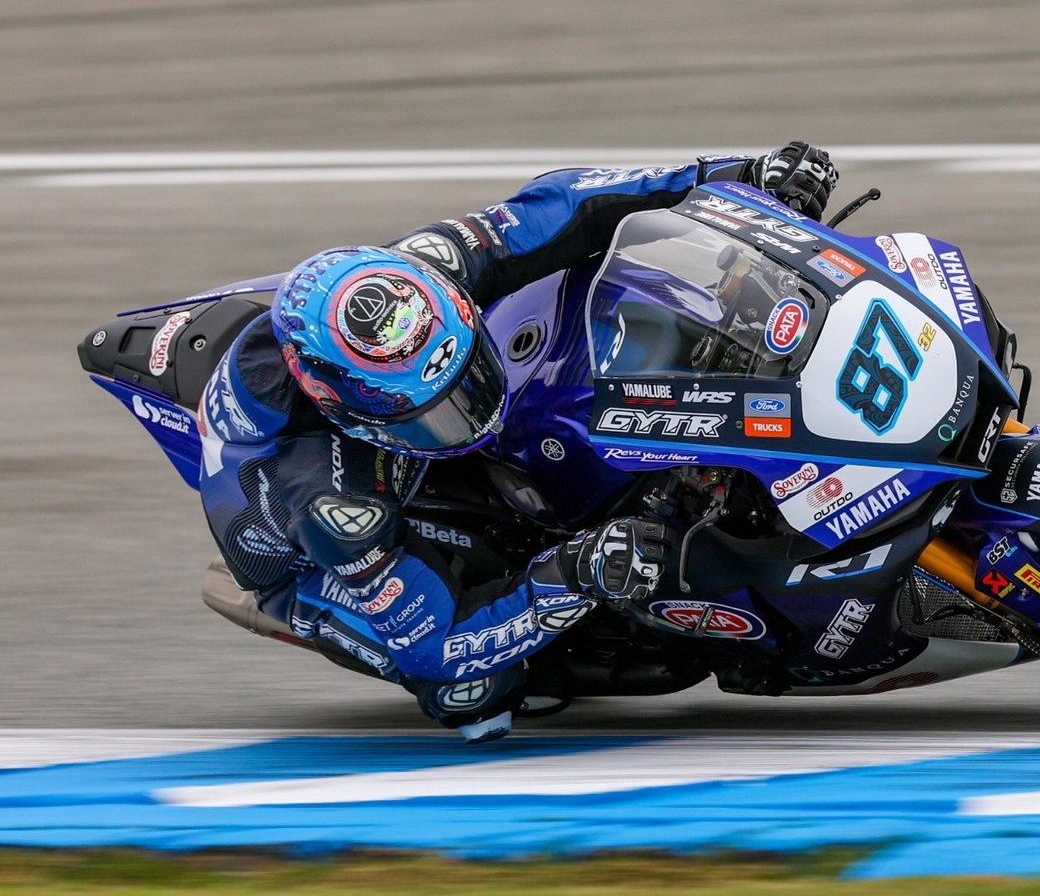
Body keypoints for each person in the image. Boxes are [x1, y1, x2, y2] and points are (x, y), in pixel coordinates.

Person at [196, 144, 839, 742]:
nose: (468, 409)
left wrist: (731, 177)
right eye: (438, 411)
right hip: (323, 566)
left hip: (387, 399)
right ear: (352, 411)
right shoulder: (327, 503)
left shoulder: (418, 277)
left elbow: (562, 206)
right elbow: (436, 645)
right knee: (475, 698)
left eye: (463, 380)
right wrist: (572, 575)